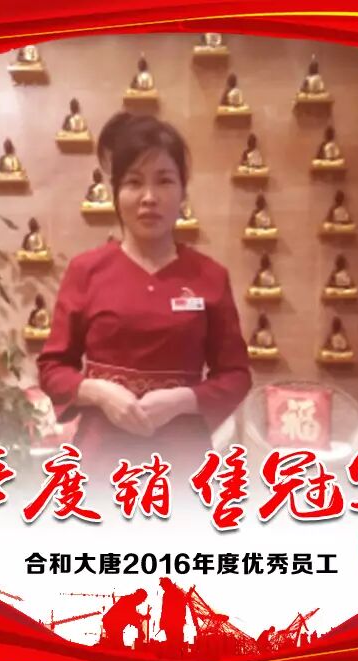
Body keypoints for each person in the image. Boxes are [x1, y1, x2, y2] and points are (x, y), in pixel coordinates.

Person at [38, 114, 252, 480]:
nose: (149, 198)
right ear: (116, 193)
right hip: (102, 457)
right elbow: (52, 368)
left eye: (164, 181)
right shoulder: (86, 270)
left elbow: (235, 375)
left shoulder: (210, 276)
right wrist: (99, 393)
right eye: (134, 182)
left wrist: (183, 400)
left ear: (183, 192)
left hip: (182, 460)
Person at [158, 577, 188, 656]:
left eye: (163, 586)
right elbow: (165, 610)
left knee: (174, 642)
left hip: (173, 622)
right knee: (174, 642)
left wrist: (163, 621)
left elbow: (165, 610)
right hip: (175, 622)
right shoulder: (177, 593)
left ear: (166, 584)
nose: (162, 588)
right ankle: (175, 656)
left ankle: (175, 656)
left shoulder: (172, 594)